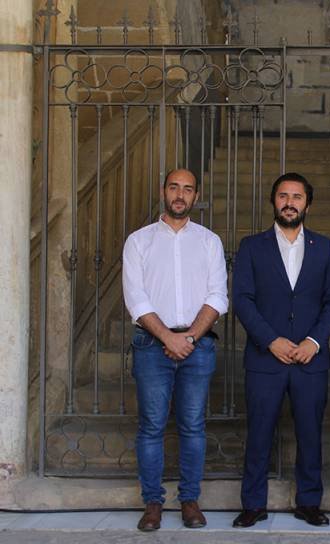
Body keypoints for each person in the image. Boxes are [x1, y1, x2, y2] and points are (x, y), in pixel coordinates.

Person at [232, 172, 330, 528]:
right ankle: (253, 504)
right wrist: (271, 340)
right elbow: (242, 299)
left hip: (311, 360)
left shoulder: (324, 247)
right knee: (259, 433)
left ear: (308, 204)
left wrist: (314, 341)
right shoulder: (252, 246)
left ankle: (309, 502)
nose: (290, 203)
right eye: (283, 196)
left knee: (310, 433)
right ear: (273, 201)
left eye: (297, 197)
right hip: (265, 358)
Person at [122, 168, 228, 532]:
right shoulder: (139, 241)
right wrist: (168, 337)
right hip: (152, 345)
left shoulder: (209, 241)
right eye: (174, 187)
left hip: (198, 347)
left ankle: (189, 500)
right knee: (151, 426)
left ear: (196, 196)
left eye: (187, 189)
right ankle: (153, 503)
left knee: (193, 426)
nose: (180, 195)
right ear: (163, 191)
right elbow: (136, 298)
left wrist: (190, 338)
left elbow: (218, 296)